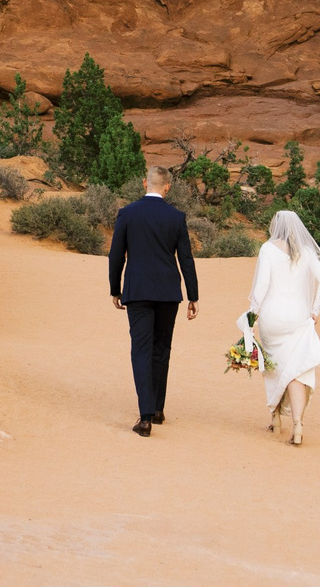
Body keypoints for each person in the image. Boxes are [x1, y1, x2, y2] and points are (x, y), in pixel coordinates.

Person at [107, 164, 198, 436]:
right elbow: (186, 259)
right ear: (167, 187)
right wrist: (193, 295)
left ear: (144, 184)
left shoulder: (127, 213)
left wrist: (115, 289)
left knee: (141, 349)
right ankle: (157, 409)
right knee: (162, 349)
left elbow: (115, 255)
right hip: (168, 292)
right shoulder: (176, 216)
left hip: (138, 291)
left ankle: (145, 416)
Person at [241, 208, 320, 446]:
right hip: (299, 316)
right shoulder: (307, 251)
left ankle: (276, 417)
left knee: (275, 367)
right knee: (296, 370)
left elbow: (262, 285)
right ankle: (298, 424)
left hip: (273, 317)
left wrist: (252, 315)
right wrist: (315, 310)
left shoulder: (268, 249)